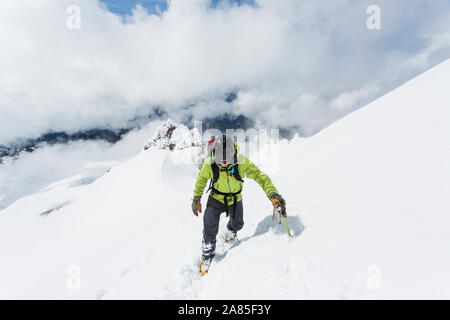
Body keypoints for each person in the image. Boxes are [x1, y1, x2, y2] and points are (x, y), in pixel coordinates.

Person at [191, 135, 286, 275]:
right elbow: (201, 180)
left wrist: (273, 194)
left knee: (238, 223)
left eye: (227, 160)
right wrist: (196, 198)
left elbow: (260, 177)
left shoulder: (241, 162)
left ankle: (228, 235)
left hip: (235, 198)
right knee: (209, 223)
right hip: (216, 198)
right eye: (220, 161)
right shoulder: (209, 164)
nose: (223, 164)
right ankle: (207, 254)